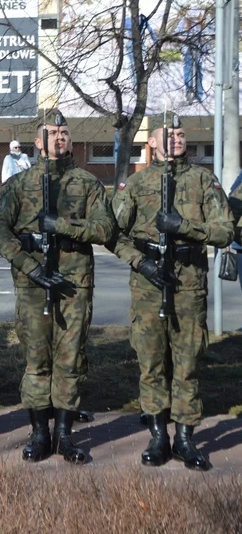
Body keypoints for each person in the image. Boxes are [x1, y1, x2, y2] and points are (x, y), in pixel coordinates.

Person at [0, 109, 114, 465]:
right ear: (38, 142)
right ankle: (39, 433)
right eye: (52, 132)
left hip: (74, 284)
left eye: (64, 132)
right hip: (33, 285)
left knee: (70, 359)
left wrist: (62, 226)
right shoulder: (19, 185)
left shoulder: (86, 183)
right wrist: (31, 267)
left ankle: (65, 435)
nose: (60, 137)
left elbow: (106, 230)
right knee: (37, 360)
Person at [118, 113, 232, 470]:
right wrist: (140, 262)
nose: (177, 138)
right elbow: (112, 232)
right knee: (151, 360)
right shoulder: (137, 185)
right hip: (149, 280)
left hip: (188, 281)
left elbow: (225, 230)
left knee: (186, 362)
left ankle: (185, 437)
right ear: (152, 143)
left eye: (181, 134)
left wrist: (185, 227)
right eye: (169, 134)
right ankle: (158, 435)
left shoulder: (203, 180)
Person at [176, 8, 207, 104]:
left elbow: (210, 31)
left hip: (199, 48)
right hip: (188, 48)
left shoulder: (204, 22)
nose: (194, 20)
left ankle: (199, 93)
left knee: (199, 70)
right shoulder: (184, 21)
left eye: (196, 17)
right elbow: (176, 32)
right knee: (188, 70)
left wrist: (206, 37)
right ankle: (189, 92)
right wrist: (181, 37)